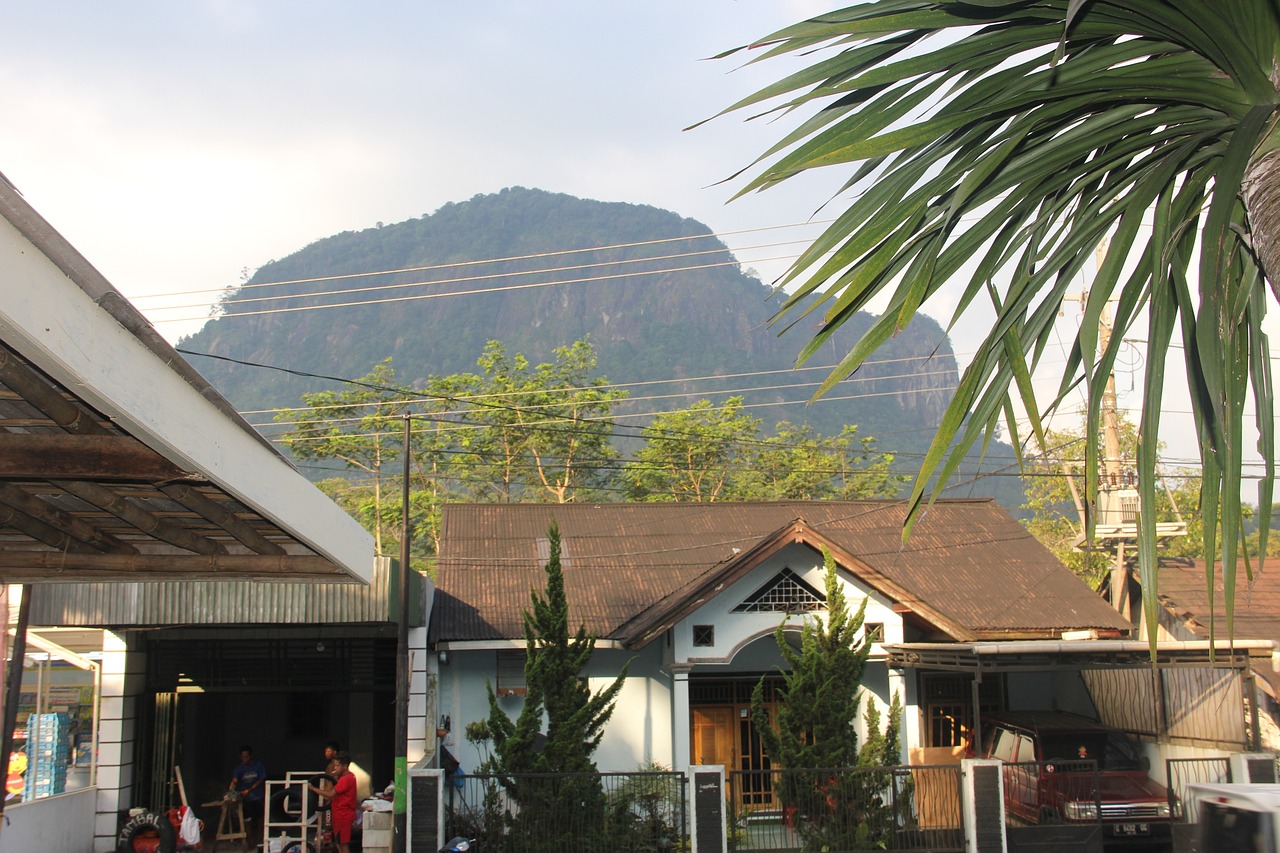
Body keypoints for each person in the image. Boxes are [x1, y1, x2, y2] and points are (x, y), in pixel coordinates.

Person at [310, 751, 356, 853]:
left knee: (343, 844)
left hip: (343, 815)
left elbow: (330, 794)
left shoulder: (346, 779)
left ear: (345, 766)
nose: (335, 768)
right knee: (339, 843)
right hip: (339, 814)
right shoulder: (346, 777)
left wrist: (313, 788)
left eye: (337, 766)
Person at [228, 745, 267, 838]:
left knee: (260, 818)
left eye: (247, 756)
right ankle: (250, 841)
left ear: (250, 756)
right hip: (245, 798)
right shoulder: (239, 768)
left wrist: (249, 790)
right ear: (240, 757)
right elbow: (235, 780)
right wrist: (231, 790)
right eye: (243, 757)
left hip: (258, 796)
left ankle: (260, 838)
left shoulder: (258, 766)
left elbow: (261, 779)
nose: (245, 758)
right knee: (247, 819)